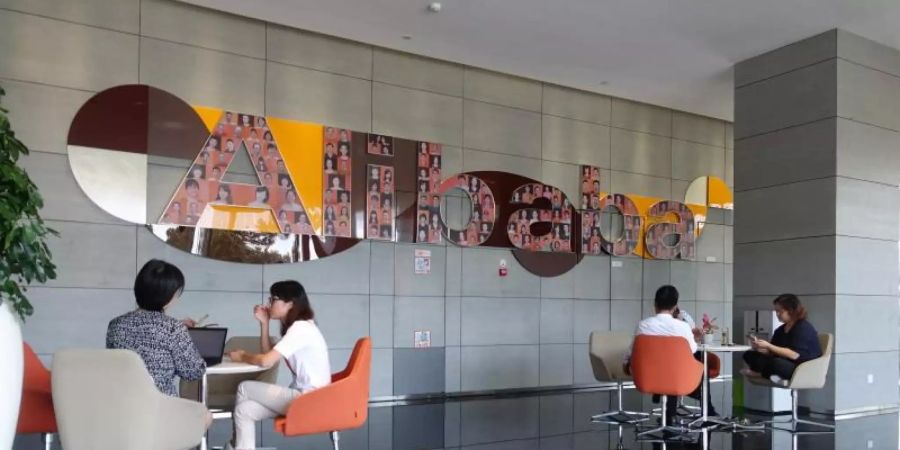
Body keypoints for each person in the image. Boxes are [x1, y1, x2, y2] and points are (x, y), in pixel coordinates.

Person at [227, 281, 331, 450]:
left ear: (290, 303)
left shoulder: (301, 328)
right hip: (305, 396)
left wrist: (242, 356)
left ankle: (233, 445)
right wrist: (264, 324)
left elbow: (266, 361)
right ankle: (238, 446)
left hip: (308, 399)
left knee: (244, 387)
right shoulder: (300, 328)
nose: (269, 304)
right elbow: (269, 354)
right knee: (244, 410)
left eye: (273, 299)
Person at [106, 260, 205, 397]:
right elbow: (194, 372)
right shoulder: (172, 328)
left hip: (123, 405)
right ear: (167, 296)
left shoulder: (115, 325)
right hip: (161, 407)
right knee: (205, 415)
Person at [624, 285, 716, 423]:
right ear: (675, 306)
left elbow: (632, 351)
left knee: (670, 364)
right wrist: (694, 338)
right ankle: (706, 407)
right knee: (696, 361)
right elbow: (691, 351)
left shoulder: (643, 325)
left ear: (655, 304)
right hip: (676, 377)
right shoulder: (683, 327)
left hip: (649, 376)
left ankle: (670, 412)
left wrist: (626, 363)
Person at [742, 294, 822, 385]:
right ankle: (769, 374)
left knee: (776, 363)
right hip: (784, 361)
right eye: (776, 311)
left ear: (791, 311)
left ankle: (761, 373)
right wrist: (760, 347)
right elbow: (773, 352)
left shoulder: (802, 328)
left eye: (780, 311)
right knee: (749, 355)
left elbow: (794, 355)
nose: (777, 315)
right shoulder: (780, 330)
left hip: (801, 367)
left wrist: (769, 346)